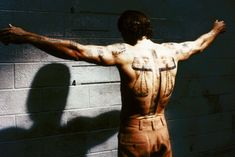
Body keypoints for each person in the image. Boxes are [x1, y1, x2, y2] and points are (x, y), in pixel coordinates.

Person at [0, 10, 225, 157]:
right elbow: (199, 45)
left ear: (124, 31)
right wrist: (215, 30)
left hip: (135, 134)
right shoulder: (172, 50)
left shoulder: (123, 53)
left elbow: (75, 51)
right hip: (162, 132)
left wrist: (27, 36)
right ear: (148, 29)